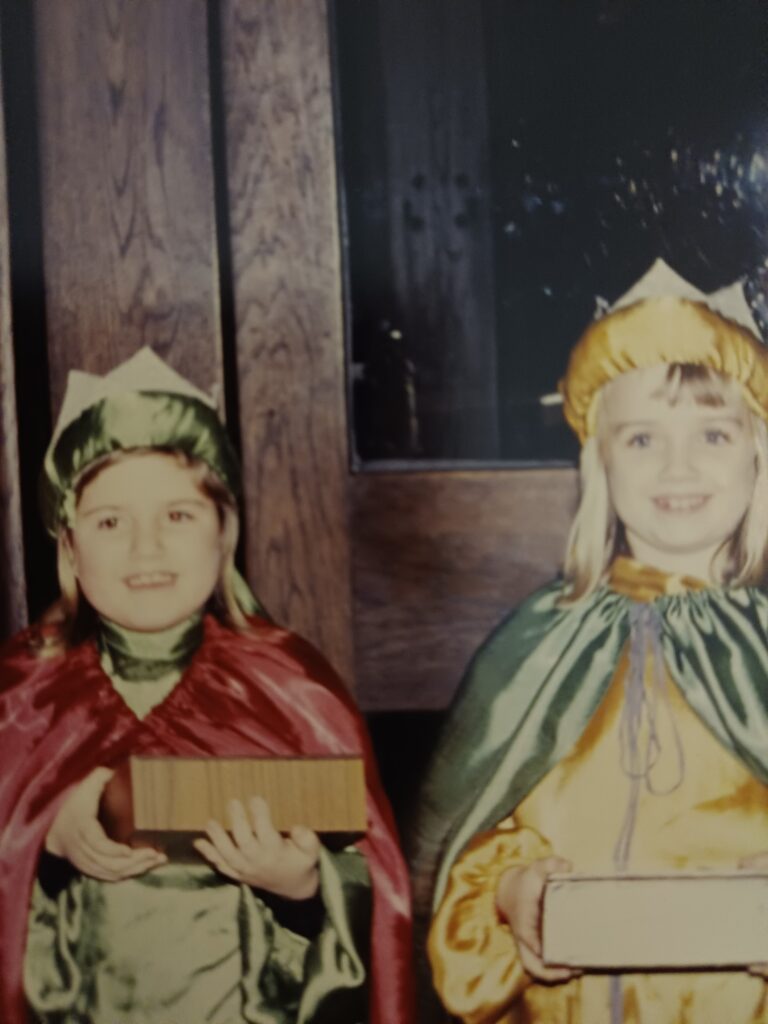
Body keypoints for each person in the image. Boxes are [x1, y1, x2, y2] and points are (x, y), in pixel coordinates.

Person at [0, 348, 415, 1024]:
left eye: (178, 516)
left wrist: (302, 884)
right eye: (110, 522)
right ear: (69, 547)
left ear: (224, 535)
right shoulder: (21, 697)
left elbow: (374, 882)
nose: (146, 548)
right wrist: (43, 834)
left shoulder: (291, 689)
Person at [411, 259, 768, 1023]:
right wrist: (513, 891)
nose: (677, 466)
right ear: (598, 460)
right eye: (641, 439)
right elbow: (464, 841)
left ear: (756, 453)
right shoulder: (538, 645)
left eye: (713, 433)